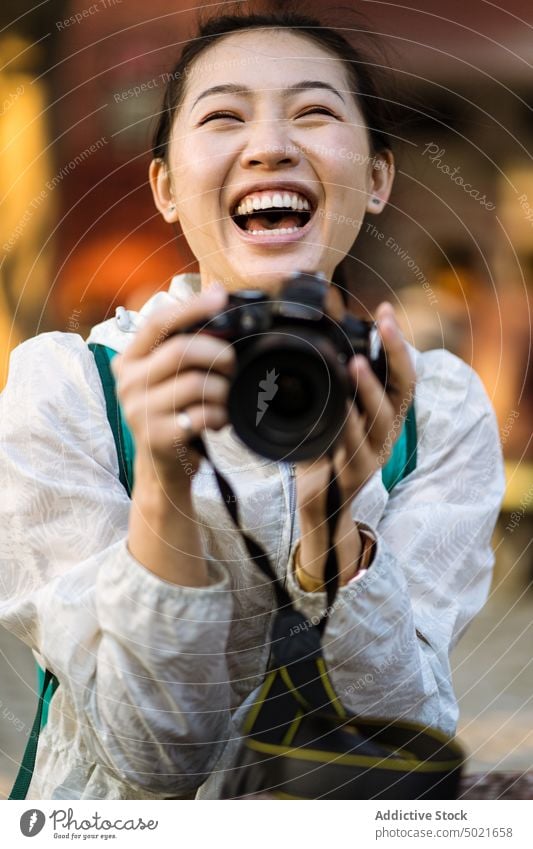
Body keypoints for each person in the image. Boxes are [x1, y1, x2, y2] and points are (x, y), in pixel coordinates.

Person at [0, 7, 505, 800]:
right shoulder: (71, 387)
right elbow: (152, 762)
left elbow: (401, 747)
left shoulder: (436, 407)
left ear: (376, 179)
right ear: (164, 187)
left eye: (312, 112)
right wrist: (165, 491)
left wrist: (332, 537)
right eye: (223, 116)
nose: (270, 145)